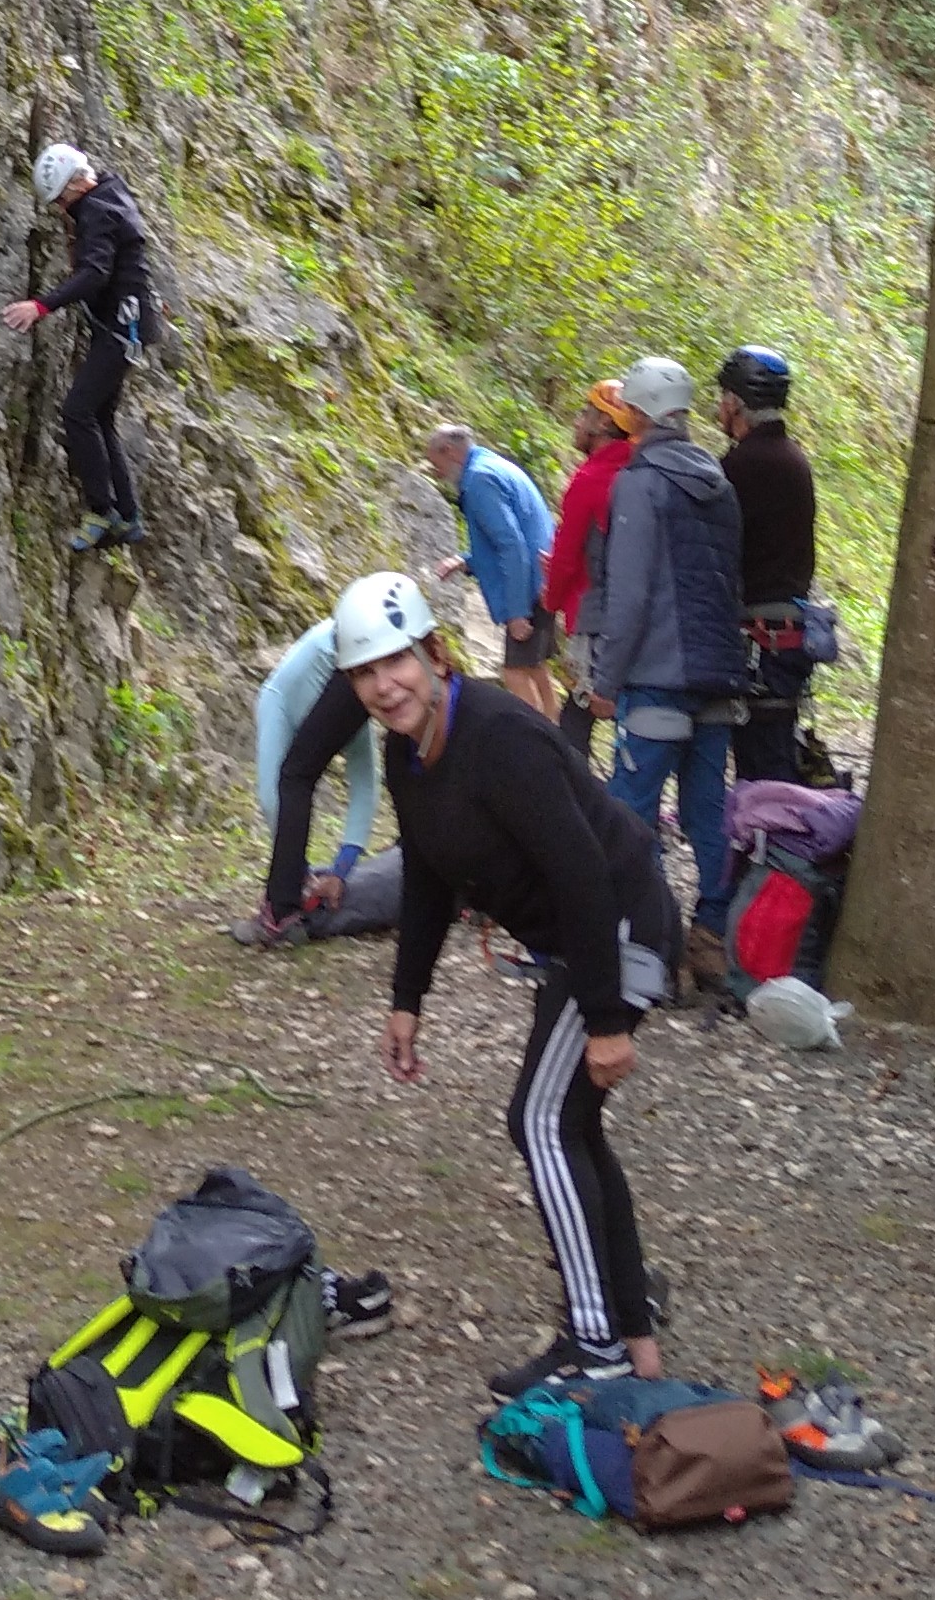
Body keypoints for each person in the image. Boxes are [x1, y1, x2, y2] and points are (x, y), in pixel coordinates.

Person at [335, 567, 677, 1394]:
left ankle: (595, 1345)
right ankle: (633, 1334)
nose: (386, 686)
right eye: (366, 673)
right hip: (576, 940)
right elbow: (426, 877)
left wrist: (606, 1019)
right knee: (572, 1127)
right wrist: (406, 1001)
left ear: (436, 654)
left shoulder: (501, 738)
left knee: (541, 1121)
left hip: (617, 926)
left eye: (399, 662)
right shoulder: (409, 752)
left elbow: (585, 874)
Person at [594, 356, 744, 989]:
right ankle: (710, 937)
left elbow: (628, 598)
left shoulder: (639, 483)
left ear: (641, 412)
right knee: (708, 814)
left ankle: (649, 946)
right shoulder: (719, 481)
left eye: (628, 405)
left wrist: (604, 680)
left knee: (630, 814)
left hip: (657, 673)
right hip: (719, 674)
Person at [2, 143, 159, 554]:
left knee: (77, 411)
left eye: (62, 201)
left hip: (122, 328)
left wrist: (40, 306)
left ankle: (101, 511)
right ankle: (128, 516)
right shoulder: (111, 191)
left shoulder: (96, 211)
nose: (61, 211)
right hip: (130, 324)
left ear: (75, 184)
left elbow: (94, 274)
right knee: (100, 417)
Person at [232, 615, 401, 948]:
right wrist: (318, 871)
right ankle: (283, 911)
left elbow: (365, 787)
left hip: (352, 651)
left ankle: (279, 916)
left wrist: (334, 871)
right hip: (361, 649)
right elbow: (273, 799)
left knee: (292, 779)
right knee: (292, 781)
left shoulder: (324, 707)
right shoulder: (276, 706)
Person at [717, 345, 819, 784]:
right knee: (772, 756)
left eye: (724, 397)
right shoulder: (792, 459)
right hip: (785, 633)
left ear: (737, 403)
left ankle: (771, 851)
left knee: (764, 770)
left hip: (762, 640)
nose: (719, 406)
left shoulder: (742, 466)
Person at [427, 421, 557, 714]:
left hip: (528, 588)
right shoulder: (493, 465)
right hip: (544, 578)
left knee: (514, 673)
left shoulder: (478, 482)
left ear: (449, 451)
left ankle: (537, 744)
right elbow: (513, 535)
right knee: (535, 667)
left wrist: (516, 611)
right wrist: (466, 560)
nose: (436, 473)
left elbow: (511, 545)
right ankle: (560, 736)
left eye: (435, 463)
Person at [543, 384, 637, 760]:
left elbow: (567, 554)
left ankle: (577, 799)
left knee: (579, 715)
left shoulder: (591, 477)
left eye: (584, 414)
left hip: (594, 614)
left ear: (603, 422)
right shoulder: (637, 468)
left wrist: (550, 600)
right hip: (639, 613)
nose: (577, 422)